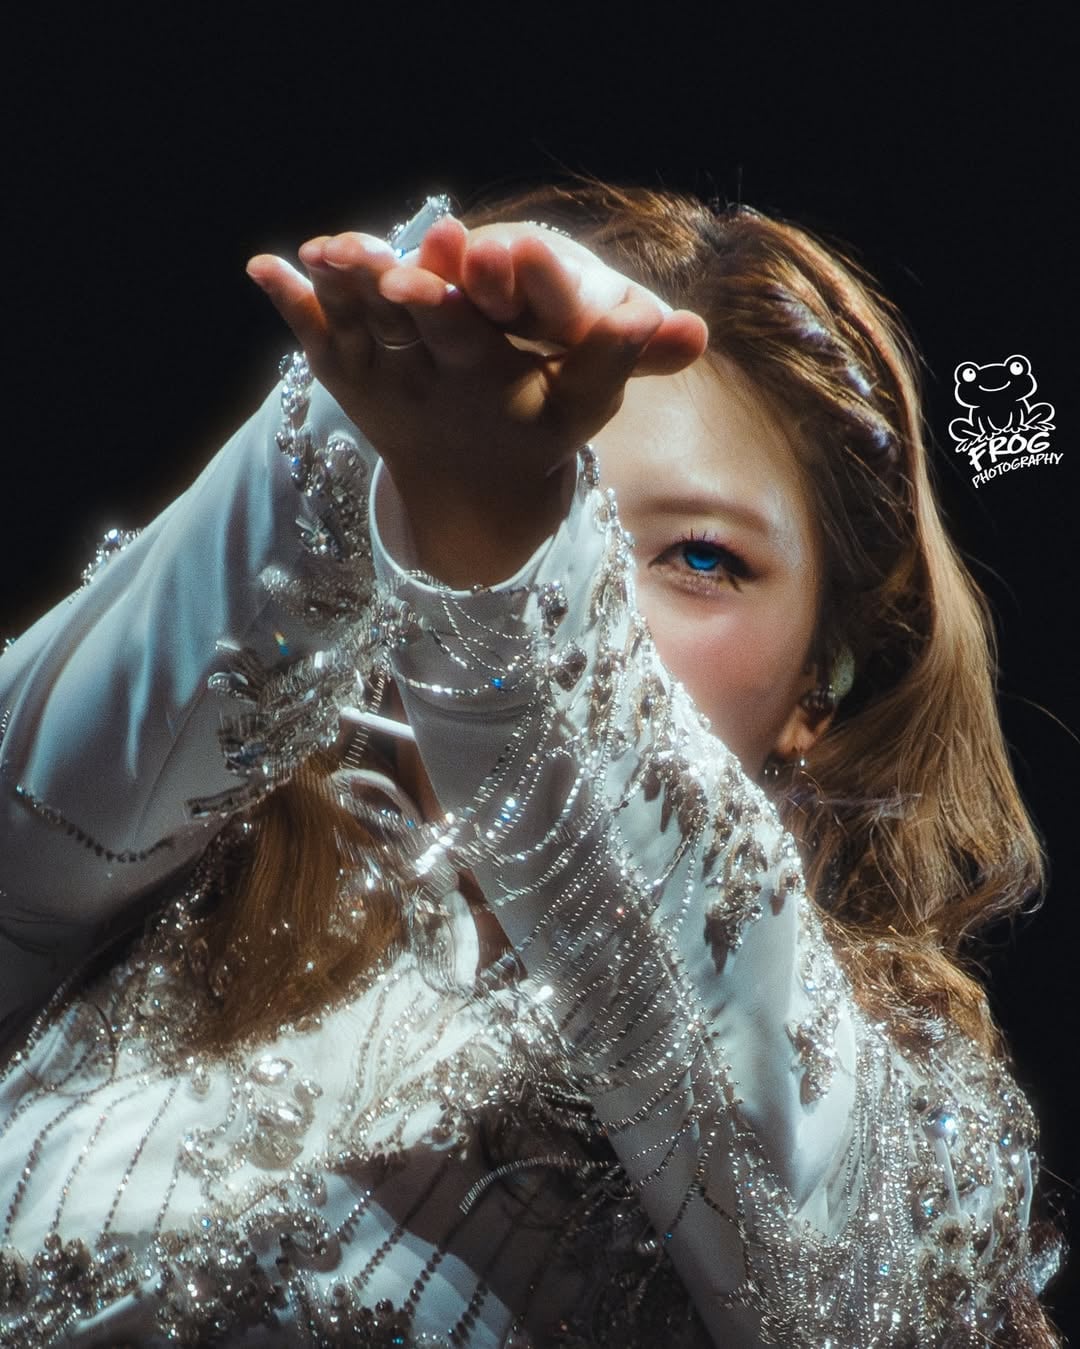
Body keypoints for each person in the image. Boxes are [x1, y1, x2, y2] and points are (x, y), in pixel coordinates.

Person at [0, 185, 1061, 1346]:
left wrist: (505, 549)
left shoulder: (901, 1127)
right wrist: (390, 374)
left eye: (700, 558)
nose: (605, 588)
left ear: (823, 681)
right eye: (559, 508)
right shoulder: (136, 899)